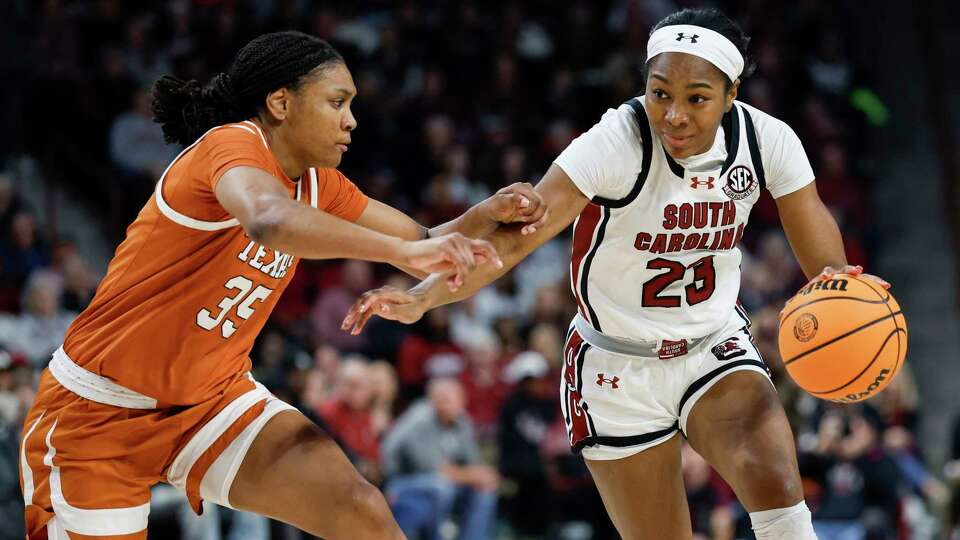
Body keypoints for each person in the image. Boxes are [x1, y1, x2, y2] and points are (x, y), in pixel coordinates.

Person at [342, 8, 893, 539]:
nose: (675, 114)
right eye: (660, 94)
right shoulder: (615, 141)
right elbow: (513, 245)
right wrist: (422, 298)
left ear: (732, 95)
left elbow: (826, 264)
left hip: (712, 346)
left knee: (780, 493)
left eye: (697, 99)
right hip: (615, 365)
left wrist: (855, 296)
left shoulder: (766, 140)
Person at [18, 30, 548, 539]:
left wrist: (488, 212)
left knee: (360, 509)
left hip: (212, 402)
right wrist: (405, 251)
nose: (352, 121)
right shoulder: (230, 146)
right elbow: (268, 219)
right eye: (337, 102)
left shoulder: (321, 183)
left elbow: (428, 238)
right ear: (280, 102)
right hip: (97, 413)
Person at [380, 377, 498, 540]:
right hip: (400, 484)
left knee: (484, 490)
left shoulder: (462, 421)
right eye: (440, 398)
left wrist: (482, 475)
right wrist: (474, 475)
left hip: (440, 482)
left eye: (449, 399)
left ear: (462, 400)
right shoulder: (420, 420)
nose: (444, 404)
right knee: (442, 486)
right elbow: (435, 469)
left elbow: (473, 463)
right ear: (431, 400)